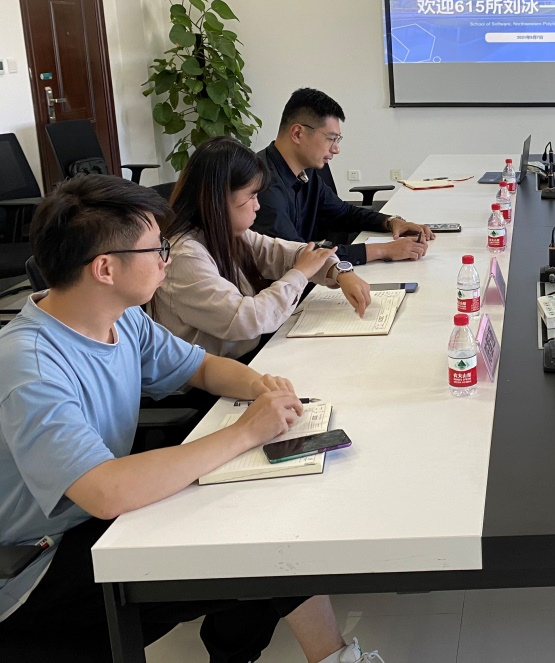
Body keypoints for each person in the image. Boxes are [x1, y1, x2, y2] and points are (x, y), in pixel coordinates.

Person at [0, 175, 379, 663]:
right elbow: (104, 492)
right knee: (258, 545)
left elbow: (199, 367)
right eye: (156, 249)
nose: (167, 258)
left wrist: (261, 387)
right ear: (105, 268)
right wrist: (245, 432)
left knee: (263, 514)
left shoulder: (120, 316)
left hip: (97, 516)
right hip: (39, 561)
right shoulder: (30, 367)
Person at [151, 136, 373, 360]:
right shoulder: (184, 256)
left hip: (241, 358)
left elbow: (288, 253)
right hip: (210, 375)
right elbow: (245, 320)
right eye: (252, 195)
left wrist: (339, 271)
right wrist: (300, 274)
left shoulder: (228, 234)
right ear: (219, 198)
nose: (257, 205)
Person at [254, 88, 433, 265]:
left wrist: (390, 221)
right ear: (297, 134)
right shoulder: (261, 184)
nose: (336, 149)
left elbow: (343, 213)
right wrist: (382, 250)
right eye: (331, 139)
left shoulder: (305, 172)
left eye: (337, 140)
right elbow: (296, 256)